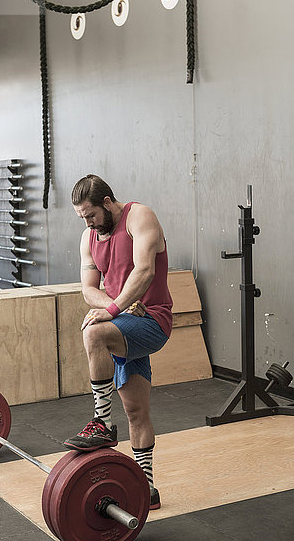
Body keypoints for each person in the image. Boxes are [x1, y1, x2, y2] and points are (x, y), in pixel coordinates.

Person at [64, 174, 173, 510]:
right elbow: (88, 289)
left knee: (94, 331)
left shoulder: (140, 217)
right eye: (82, 217)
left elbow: (144, 272)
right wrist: (117, 306)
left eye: (92, 215)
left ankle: (102, 421)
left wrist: (113, 308)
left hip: (152, 320)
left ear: (108, 203)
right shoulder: (89, 237)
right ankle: (147, 490)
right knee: (136, 411)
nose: (89, 223)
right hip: (125, 322)